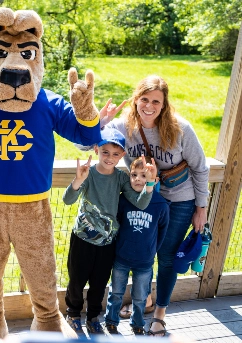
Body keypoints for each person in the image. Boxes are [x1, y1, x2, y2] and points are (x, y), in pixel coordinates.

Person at [101, 75, 209, 336]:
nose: (149, 106)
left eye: (156, 102)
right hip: (142, 199)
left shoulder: (181, 128)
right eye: (145, 100)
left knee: (167, 257)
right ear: (136, 100)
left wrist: (201, 209)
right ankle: (145, 299)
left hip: (179, 200)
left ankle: (159, 313)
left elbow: (201, 168)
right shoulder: (123, 127)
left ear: (164, 105)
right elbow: (87, 145)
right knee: (142, 251)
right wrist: (101, 123)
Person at [62, 127, 157, 335]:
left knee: (99, 282)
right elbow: (68, 200)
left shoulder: (121, 178)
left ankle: (93, 316)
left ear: (122, 155)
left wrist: (150, 183)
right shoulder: (89, 173)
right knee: (77, 279)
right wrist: (78, 179)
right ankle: (73, 314)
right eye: (105, 152)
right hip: (83, 239)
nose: (110, 157)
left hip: (107, 243)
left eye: (115, 154)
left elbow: (140, 204)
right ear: (97, 149)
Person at [103, 157, 170, 336]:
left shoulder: (160, 205)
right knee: (115, 292)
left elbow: (162, 230)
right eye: (134, 175)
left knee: (140, 297)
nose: (138, 179)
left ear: (154, 180)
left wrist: (152, 250)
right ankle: (110, 322)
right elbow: (116, 223)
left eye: (144, 175)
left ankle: (138, 325)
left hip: (144, 261)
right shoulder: (124, 200)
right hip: (121, 257)